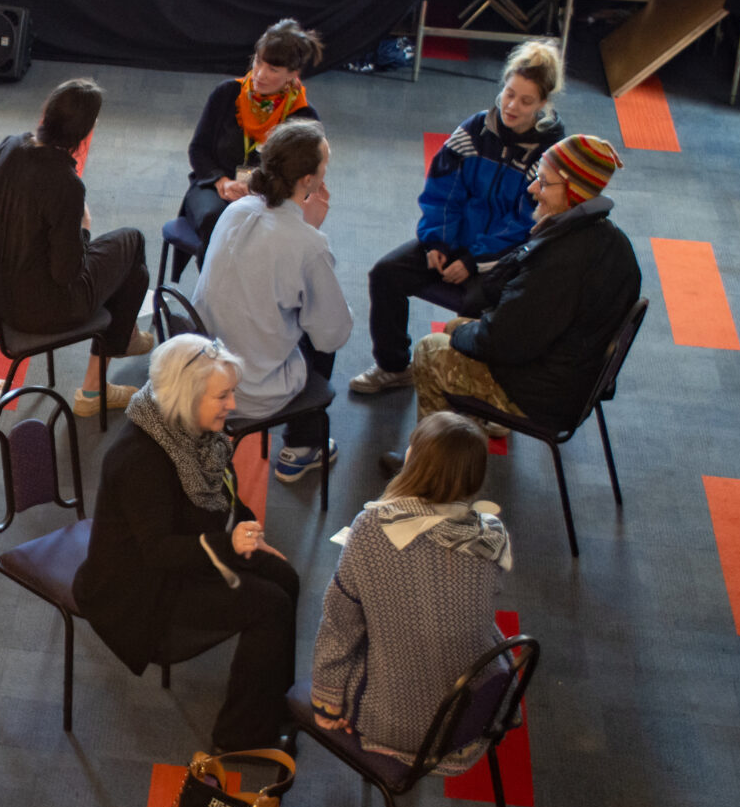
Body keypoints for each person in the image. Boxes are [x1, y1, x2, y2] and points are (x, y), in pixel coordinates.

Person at [73, 335, 301, 751]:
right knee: (271, 606)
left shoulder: (190, 431)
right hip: (139, 592)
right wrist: (231, 544)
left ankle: (269, 700)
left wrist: (246, 532)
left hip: (186, 556)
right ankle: (241, 737)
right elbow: (158, 552)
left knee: (285, 577)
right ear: (186, 396)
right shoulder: (140, 460)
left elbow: (221, 496)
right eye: (222, 396)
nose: (233, 404)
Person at [351, 39, 567, 393]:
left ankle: (475, 389)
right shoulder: (473, 131)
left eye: (526, 101)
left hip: (501, 258)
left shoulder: (548, 155)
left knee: (478, 307)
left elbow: (525, 225)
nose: (512, 106)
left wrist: (472, 260)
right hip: (454, 241)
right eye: (509, 93)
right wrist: (437, 241)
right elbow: (443, 192)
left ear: (543, 104)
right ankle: (394, 367)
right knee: (386, 274)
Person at [402, 134, 641, 451]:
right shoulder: (612, 240)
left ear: (573, 191)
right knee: (455, 328)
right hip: (576, 377)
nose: (532, 189)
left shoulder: (561, 261)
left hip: (543, 396)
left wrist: (463, 333)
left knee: (430, 350)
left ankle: (432, 471)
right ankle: (465, 438)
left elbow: (502, 341)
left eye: (544, 182)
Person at [310, 412, 512, 775]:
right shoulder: (492, 534)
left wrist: (327, 701)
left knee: (358, 621)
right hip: (471, 716)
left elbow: (339, 625)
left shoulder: (371, 528)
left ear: (414, 460)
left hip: (393, 724)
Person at [0, 78, 155, 418]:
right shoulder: (65, 183)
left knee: (131, 269)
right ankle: (99, 379)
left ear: (46, 112)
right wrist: (84, 228)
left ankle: (125, 337)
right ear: (84, 133)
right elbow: (67, 273)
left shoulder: (8, 146)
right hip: (43, 309)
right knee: (133, 244)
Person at [193, 119, 352, 482]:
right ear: (308, 181)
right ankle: (302, 446)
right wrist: (308, 231)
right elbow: (333, 335)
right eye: (325, 166)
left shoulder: (236, 210)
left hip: (203, 363)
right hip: (249, 389)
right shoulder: (307, 244)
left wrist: (304, 228)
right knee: (323, 330)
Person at [179, 18, 324, 280]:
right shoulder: (226, 94)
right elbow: (198, 149)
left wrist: (257, 190)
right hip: (214, 187)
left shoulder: (303, 117)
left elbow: (302, 179)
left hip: (268, 197)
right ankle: (215, 292)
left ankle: (248, 296)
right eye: (258, 62)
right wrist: (222, 182)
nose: (259, 74)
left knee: (256, 231)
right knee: (217, 220)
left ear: (292, 74)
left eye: (273, 69)